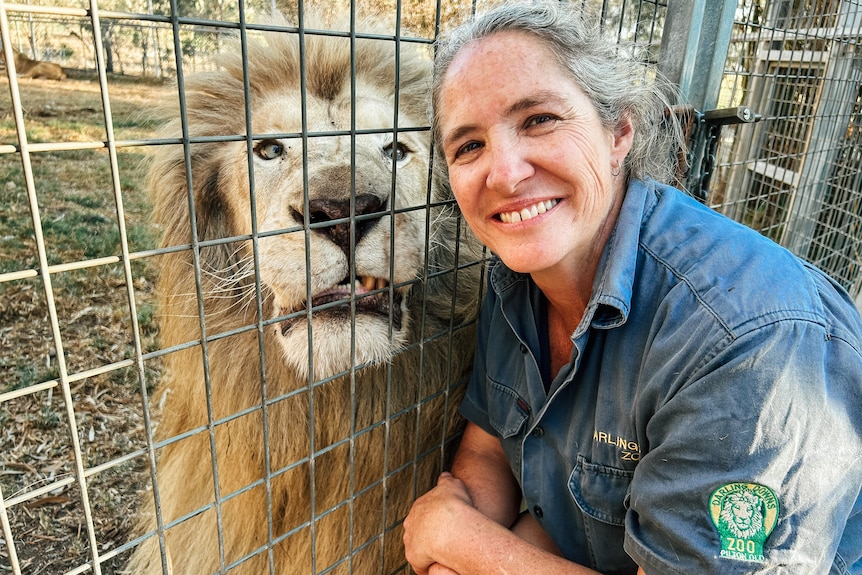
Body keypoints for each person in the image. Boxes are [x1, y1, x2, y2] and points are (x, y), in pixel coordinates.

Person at [402, 2, 862, 574]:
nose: (505, 172)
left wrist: (459, 541)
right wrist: (463, 545)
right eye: (468, 146)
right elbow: (487, 445)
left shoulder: (744, 340)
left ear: (619, 131)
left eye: (539, 119)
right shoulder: (514, 280)